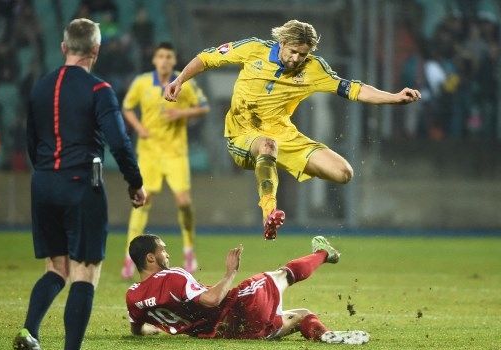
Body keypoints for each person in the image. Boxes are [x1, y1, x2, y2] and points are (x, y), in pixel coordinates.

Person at [164, 19, 422, 240]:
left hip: (284, 136)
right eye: (294, 52)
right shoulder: (253, 50)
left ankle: (277, 164)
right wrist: (179, 81)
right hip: (243, 134)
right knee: (267, 145)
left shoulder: (313, 68)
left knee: (343, 173)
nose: (297, 59)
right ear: (282, 42)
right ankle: (269, 212)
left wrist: (394, 97)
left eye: (303, 54)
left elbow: (353, 88)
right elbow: (207, 58)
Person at [13, 18, 146, 350]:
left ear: (64, 48)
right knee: (85, 272)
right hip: (81, 184)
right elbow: (119, 142)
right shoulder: (99, 90)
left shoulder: (40, 86)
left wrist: (45, 173)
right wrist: (135, 182)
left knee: (56, 268)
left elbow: (30, 140)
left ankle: (30, 332)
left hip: (43, 184)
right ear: (96, 51)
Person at [126, 234, 369, 344]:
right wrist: (230, 272)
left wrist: (160, 329)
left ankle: (325, 335)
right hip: (238, 308)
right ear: (150, 258)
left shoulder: (133, 296)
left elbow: (138, 329)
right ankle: (325, 253)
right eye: (162, 250)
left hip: (226, 334)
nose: (167, 253)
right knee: (282, 275)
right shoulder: (171, 276)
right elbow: (211, 300)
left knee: (301, 315)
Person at [121, 42, 210, 278]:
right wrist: (139, 128)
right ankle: (129, 258)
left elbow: (203, 107)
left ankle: (189, 250)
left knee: (183, 202)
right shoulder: (142, 83)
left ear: (173, 61)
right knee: (142, 201)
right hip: (149, 152)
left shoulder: (183, 83)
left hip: (175, 153)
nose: (164, 60)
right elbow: (127, 108)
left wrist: (181, 113)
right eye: (160, 56)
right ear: (154, 60)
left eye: (168, 57)